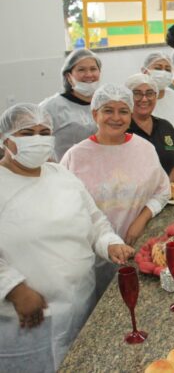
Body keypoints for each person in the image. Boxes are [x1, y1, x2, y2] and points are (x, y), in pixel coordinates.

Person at [0, 103, 133, 372]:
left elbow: (94, 220)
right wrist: (14, 288)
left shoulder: (61, 175)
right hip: (28, 316)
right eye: (27, 133)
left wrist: (110, 243)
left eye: (44, 131)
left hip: (80, 299)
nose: (38, 139)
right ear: (5, 139)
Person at [60, 85, 170, 297]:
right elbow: (69, 211)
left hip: (137, 246)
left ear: (131, 114)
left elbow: (162, 191)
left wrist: (140, 221)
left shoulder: (143, 148)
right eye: (108, 110)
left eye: (123, 111)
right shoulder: (76, 157)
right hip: (93, 257)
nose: (116, 118)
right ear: (95, 114)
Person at [39, 49, 101, 161]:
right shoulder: (52, 107)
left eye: (93, 69)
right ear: (68, 76)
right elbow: (36, 142)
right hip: (66, 173)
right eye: (81, 70)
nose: (89, 74)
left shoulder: (104, 103)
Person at [125, 73, 174, 182]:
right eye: (137, 93)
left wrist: (165, 189)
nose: (144, 99)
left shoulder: (166, 126)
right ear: (127, 97)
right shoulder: (122, 130)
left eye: (149, 93)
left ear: (156, 97)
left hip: (168, 193)